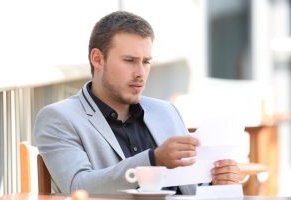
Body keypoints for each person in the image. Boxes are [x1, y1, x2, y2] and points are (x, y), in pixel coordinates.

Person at [34, 11, 241, 195]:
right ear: (97, 59)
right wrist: (153, 160)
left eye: (146, 61)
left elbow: (191, 189)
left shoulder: (166, 112)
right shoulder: (59, 118)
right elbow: (78, 188)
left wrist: (217, 181)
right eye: (130, 60)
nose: (141, 73)